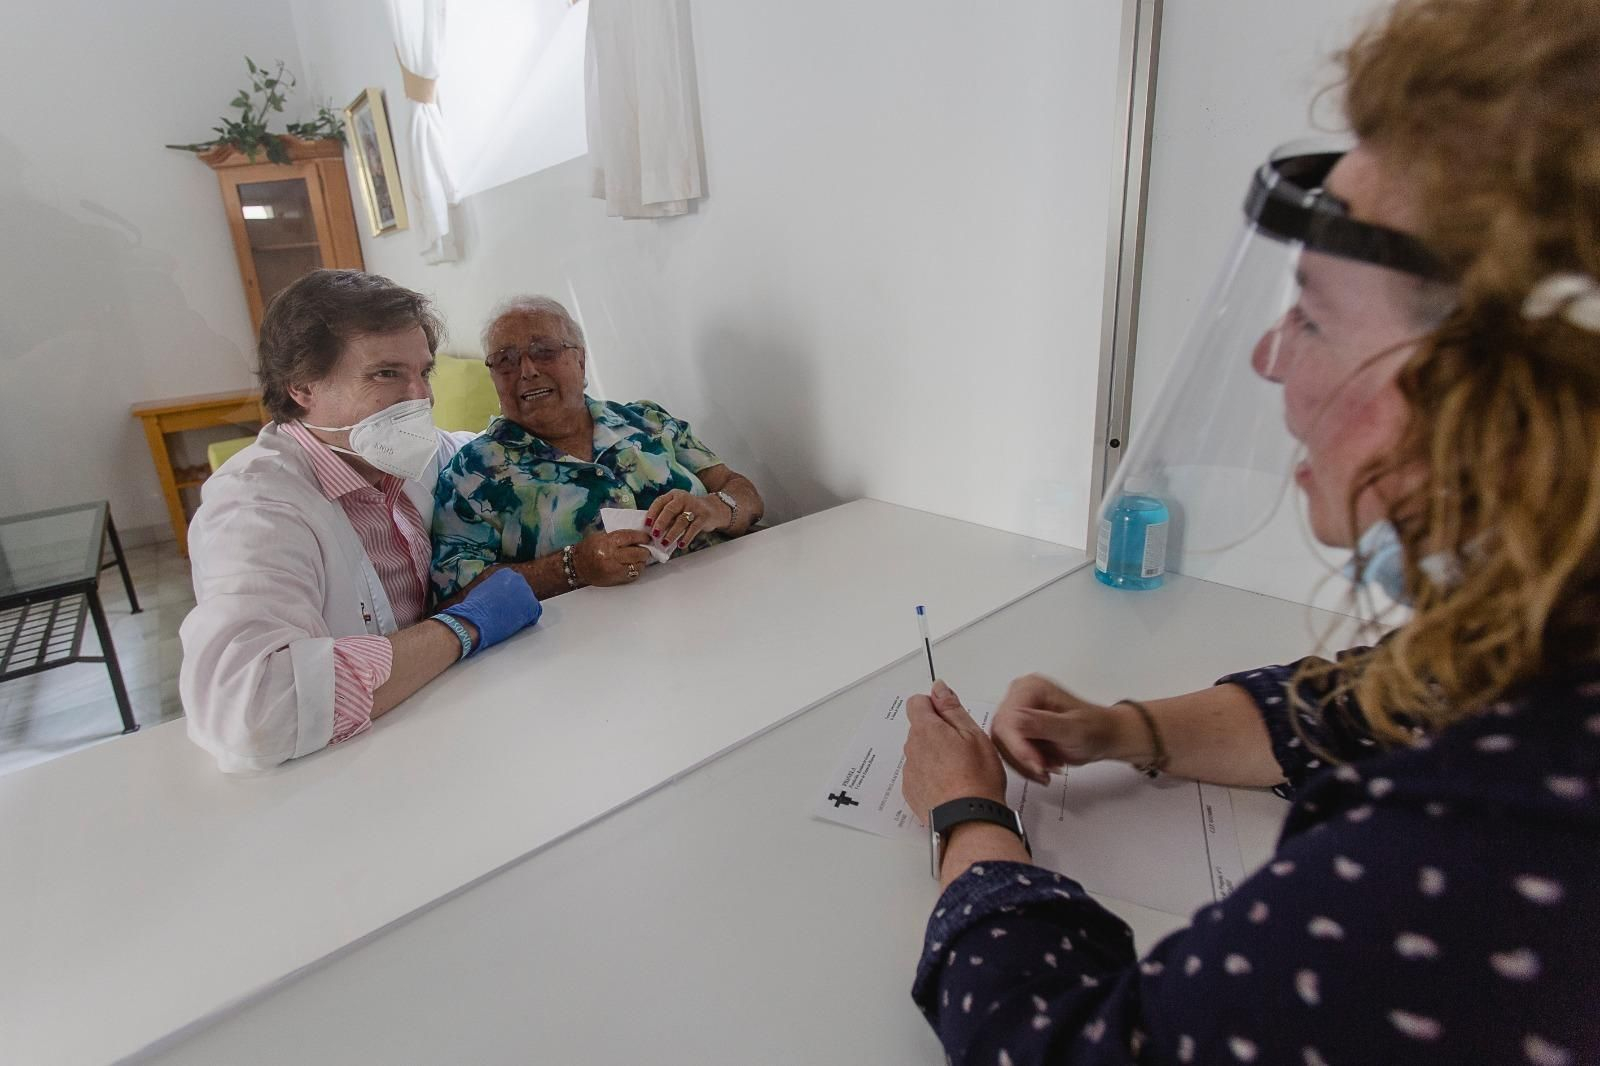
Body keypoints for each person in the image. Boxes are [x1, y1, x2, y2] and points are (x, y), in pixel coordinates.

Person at [899, 1, 1600, 1061]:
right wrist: (1125, 728)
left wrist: (967, 819)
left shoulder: (1492, 842)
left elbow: (1073, 1045)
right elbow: (1388, 695)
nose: (1269, 357)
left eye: (1314, 315)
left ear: (1518, 401)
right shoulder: (1554, 636)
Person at [180, 271, 542, 773]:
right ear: (302, 386)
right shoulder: (254, 510)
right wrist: (463, 626)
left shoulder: (411, 455)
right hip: (341, 776)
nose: (421, 398)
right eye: (387, 374)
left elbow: (500, 453)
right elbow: (253, 713)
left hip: (447, 730)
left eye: (425, 373)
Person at [430, 296, 764, 602]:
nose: (528, 371)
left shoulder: (647, 420)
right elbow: (456, 597)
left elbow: (744, 494)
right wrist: (571, 568)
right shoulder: (472, 473)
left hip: (729, 596)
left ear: (580, 360)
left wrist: (713, 509)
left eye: (544, 351)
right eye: (506, 360)